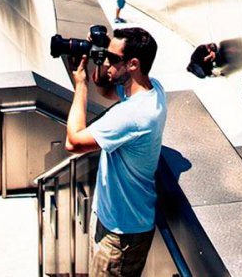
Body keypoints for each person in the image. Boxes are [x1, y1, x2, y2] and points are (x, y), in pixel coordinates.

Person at [64, 27, 166, 277]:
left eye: (112, 58)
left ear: (133, 64)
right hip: (116, 219)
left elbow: (73, 143)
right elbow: (105, 88)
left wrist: (80, 85)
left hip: (121, 235)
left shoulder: (132, 115)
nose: (107, 62)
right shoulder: (152, 89)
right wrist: (98, 58)